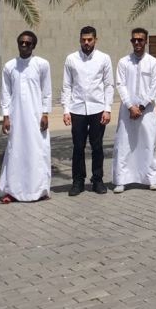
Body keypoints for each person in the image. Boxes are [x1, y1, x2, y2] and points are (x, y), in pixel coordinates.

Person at [0, 30, 52, 203]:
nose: (24, 45)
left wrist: (45, 113)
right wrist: (5, 116)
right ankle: (12, 191)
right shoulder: (9, 66)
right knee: (16, 152)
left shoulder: (42, 64)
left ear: (33, 45)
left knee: (37, 151)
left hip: (36, 117)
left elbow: (47, 91)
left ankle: (38, 190)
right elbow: (5, 93)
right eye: (21, 42)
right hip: (16, 117)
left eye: (28, 43)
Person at [62, 26, 115, 196]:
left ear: (95, 40)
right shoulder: (71, 59)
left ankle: (97, 180)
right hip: (77, 109)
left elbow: (109, 85)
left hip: (98, 109)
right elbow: (66, 86)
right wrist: (66, 109)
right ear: (80, 40)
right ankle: (78, 181)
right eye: (83, 39)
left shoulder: (104, 58)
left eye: (89, 39)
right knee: (78, 146)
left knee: (97, 146)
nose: (86, 42)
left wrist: (107, 109)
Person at [111, 28, 156, 193]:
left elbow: (155, 86)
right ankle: (121, 180)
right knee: (124, 143)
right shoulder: (124, 62)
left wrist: (141, 107)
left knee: (148, 143)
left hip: (146, 111)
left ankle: (150, 179)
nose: (137, 43)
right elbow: (120, 84)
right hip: (127, 111)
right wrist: (130, 106)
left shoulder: (153, 62)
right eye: (134, 40)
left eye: (140, 40)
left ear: (146, 41)